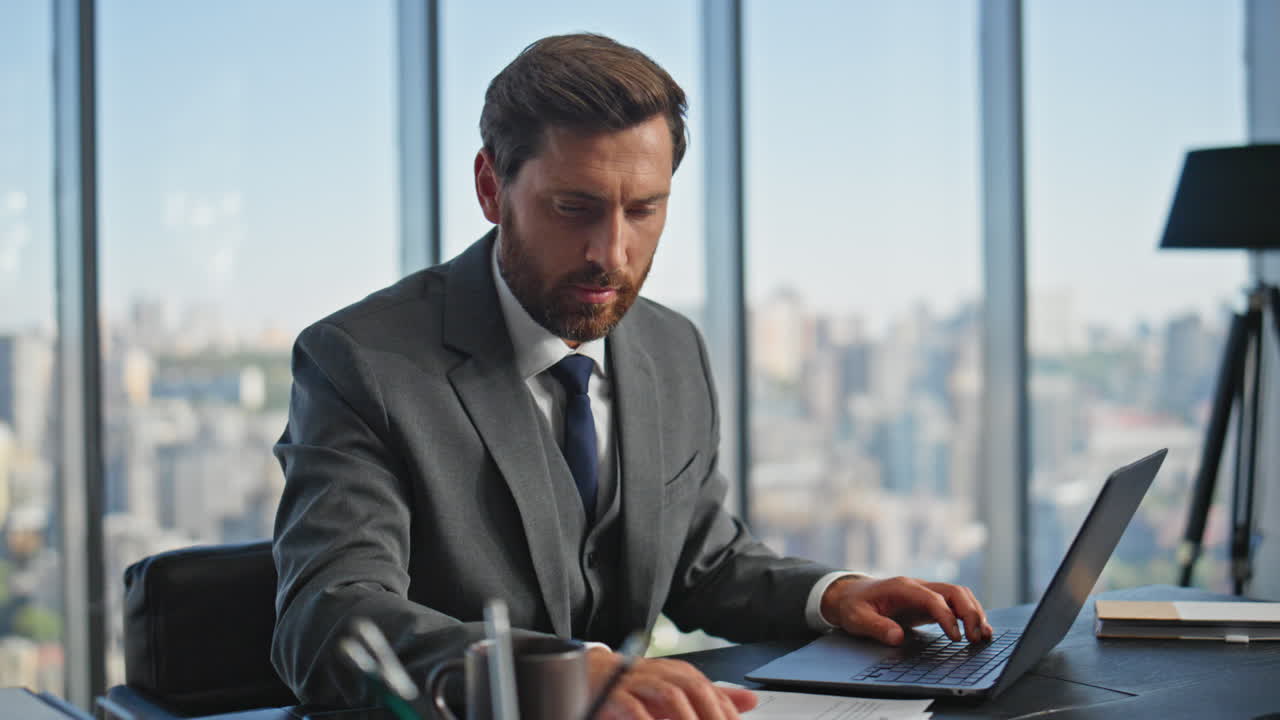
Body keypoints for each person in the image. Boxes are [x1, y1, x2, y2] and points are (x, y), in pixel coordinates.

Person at [271, 32, 992, 720]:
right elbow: (328, 617)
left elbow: (701, 564)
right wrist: (552, 672)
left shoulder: (670, 347)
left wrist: (834, 595)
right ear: (492, 188)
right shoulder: (360, 360)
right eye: (573, 208)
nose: (611, 253)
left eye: (644, 210)